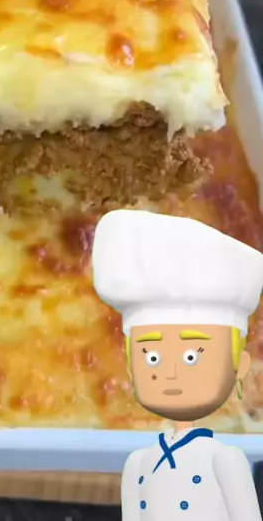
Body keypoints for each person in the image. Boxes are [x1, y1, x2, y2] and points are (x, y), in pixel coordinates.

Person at [91, 209, 263, 521]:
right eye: (152, 357)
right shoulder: (138, 463)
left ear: (239, 366)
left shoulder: (225, 459)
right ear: (131, 368)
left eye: (191, 357)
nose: (169, 373)